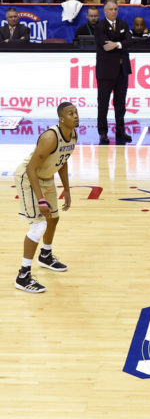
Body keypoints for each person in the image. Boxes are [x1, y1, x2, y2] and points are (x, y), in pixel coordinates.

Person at [14, 102, 78, 293]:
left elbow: (63, 161)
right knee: (39, 225)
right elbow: (30, 169)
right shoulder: (50, 137)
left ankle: (46, 255)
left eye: (76, 112)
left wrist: (67, 189)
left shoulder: (73, 134)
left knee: (54, 218)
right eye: (70, 113)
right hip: (29, 178)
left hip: (47, 176)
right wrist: (41, 199)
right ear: (61, 118)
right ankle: (23, 275)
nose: (75, 116)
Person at [95, 0, 132, 145]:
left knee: (120, 103)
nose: (113, 11)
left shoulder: (123, 24)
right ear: (105, 11)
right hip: (106, 72)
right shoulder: (100, 27)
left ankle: (120, 130)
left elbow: (130, 41)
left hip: (122, 71)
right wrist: (121, 44)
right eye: (110, 9)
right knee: (103, 103)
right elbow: (106, 46)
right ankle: (103, 132)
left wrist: (117, 44)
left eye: (116, 9)